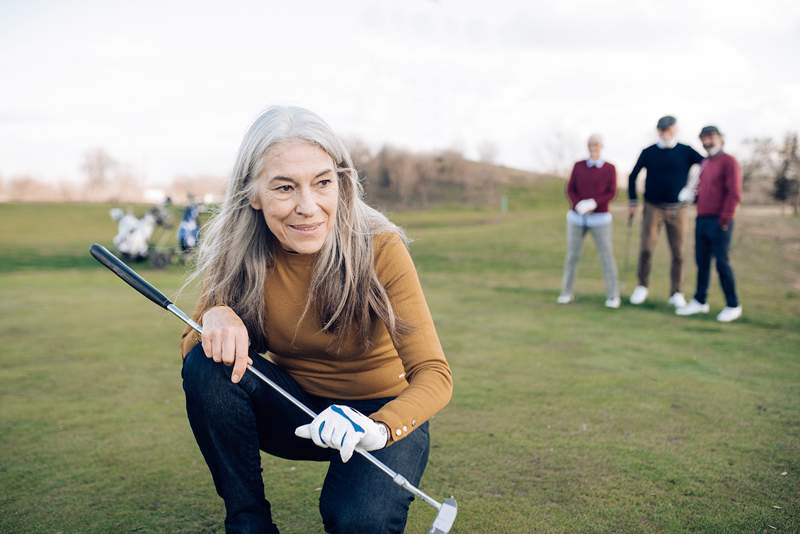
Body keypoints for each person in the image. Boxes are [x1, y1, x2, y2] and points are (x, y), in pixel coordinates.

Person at [178, 106, 453, 533]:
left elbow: (435, 375)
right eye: (285, 187)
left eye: (323, 183)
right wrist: (215, 316)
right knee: (205, 363)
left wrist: (376, 430)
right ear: (253, 194)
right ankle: (248, 522)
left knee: (356, 521)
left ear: (341, 183)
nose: (308, 207)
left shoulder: (379, 246)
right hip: (298, 412)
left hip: (380, 418)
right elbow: (193, 351)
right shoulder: (240, 252)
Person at [628, 115, 704, 307]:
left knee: (678, 252)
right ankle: (642, 286)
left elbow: (707, 166)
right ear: (659, 131)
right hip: (653, 207)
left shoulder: (685, 151)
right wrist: (632, 201)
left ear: (675, 130)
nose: (666, 134)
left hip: (678, 210)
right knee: (646, 248)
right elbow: (632, 176)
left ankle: (676, 292)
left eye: (669, 130)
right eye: (662, 131)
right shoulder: (649, 152)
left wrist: (693, 190)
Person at [677, 125, 743, 322]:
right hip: (702, 218)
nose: (707, 141)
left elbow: (734, 193)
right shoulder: (705, 163)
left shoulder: (729, 161)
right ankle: (700, 301)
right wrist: (692, 197)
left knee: (722, 263)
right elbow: (703, 191)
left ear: (720, 138)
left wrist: (725, 218)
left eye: (711, 137)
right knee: (702, 262)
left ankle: (733, 305)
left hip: (720, 220)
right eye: (704, 138)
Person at [557, 134, 620, 308]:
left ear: (601, 146)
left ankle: (613, 295)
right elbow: (570, 189)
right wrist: (577, 204)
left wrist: (594, 203)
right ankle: (566, 292)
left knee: (606, 256)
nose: (594, 148)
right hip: (577, 218)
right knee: (572, 256)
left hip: (600, 218)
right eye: (591, 145)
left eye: (597, 145)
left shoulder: (609, 168)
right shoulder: (578, 166)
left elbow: (611, 192)